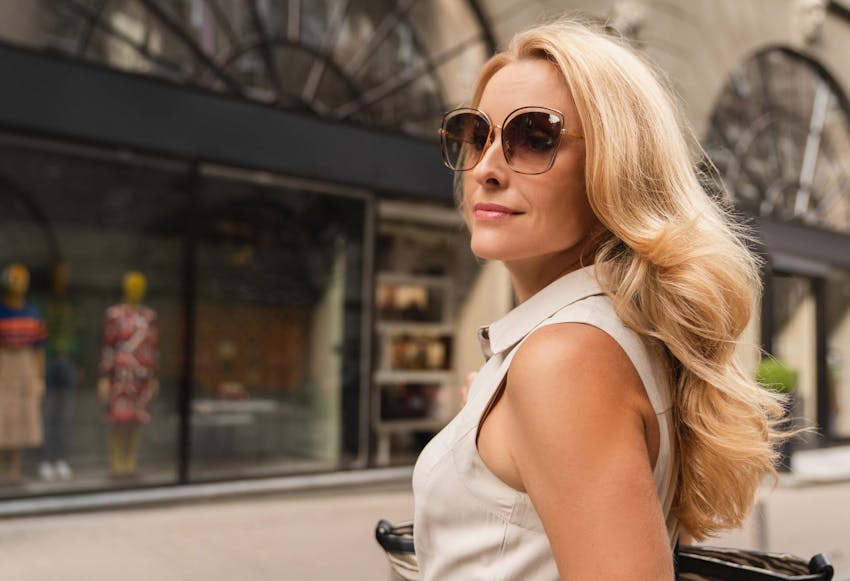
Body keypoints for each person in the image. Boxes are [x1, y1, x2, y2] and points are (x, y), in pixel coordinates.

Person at [412, 17, 785, 580]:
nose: (486, 168)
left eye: (534, 138)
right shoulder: (587, 344)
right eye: (477, 134)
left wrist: (539, 385)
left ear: (616, 165)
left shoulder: (566, 360)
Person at [98, 271, 159, 477]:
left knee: (136, 419)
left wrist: (154, 377)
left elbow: (152, 347)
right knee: (117, 418)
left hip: (141, 374)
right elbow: (108, 346)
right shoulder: (115, 314)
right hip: (120, 374)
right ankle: (116, 461)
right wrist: (105, 376)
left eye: (139, 286)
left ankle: (130, 461)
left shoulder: (149, 316)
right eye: (132, 286)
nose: (136, 290)